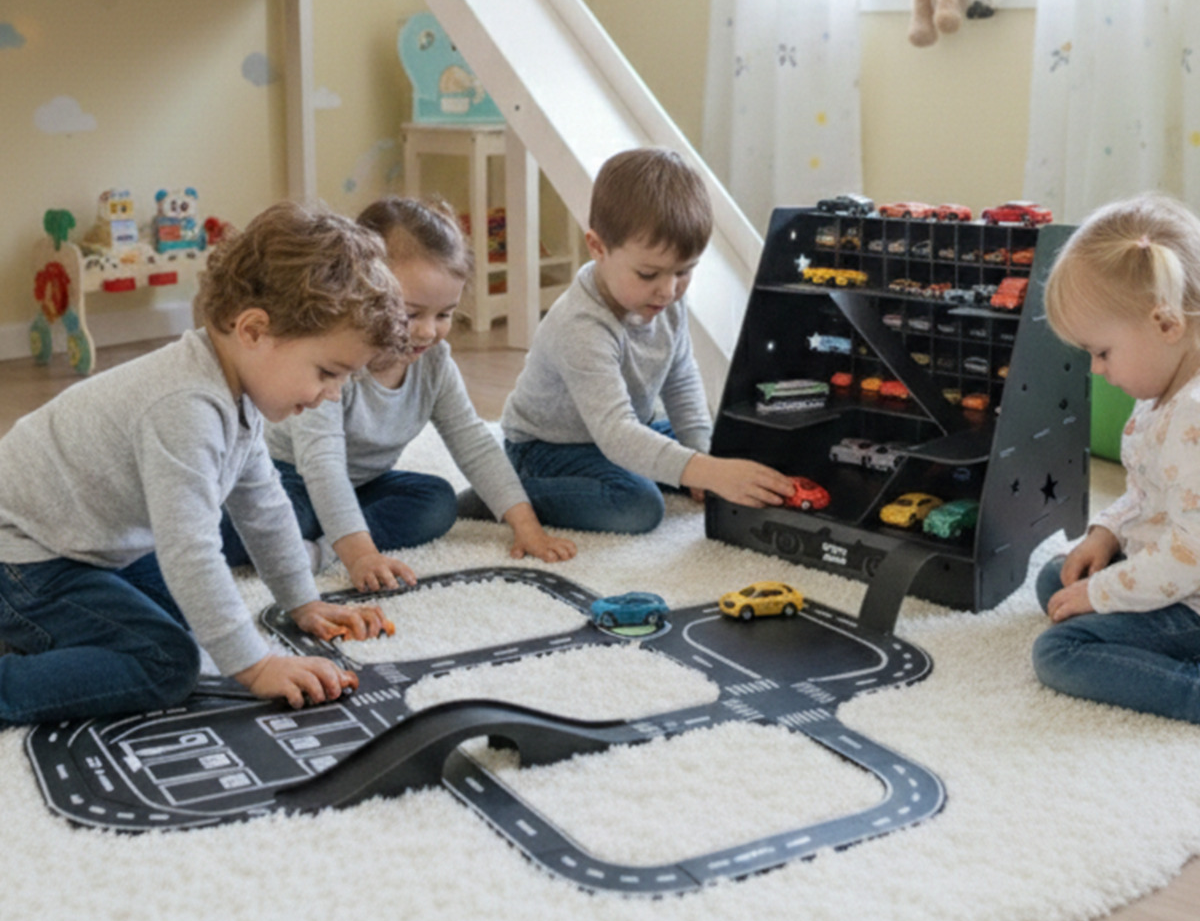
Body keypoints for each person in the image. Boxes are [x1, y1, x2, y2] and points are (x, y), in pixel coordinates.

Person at [0, 201, 408, 728]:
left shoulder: (234, 389)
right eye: (328, 373)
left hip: (84, 545)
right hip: (23, 555)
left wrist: (303, 602)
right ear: (253, 330)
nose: (333, 394)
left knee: (193, 613)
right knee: (167, 661)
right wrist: (256, 666)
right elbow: (189, 550)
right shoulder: (186, 406)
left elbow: (264, 507)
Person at [242, 196, 576, 591]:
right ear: (360, 293)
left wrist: (527, 526)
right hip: (290, 477)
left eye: (445, 314)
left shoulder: (434, 364)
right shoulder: (336, 361)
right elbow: (322, 464)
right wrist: (361, 557)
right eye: (411, 313)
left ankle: (323, 549)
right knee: (270, 519)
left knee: (435, 500)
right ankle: (332, 537)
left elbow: (474, 442)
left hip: (363, 485)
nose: (428, 331)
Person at [500, 146, 794, 534]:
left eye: (684, 271)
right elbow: (617, 433)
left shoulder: (665, 299)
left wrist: (702, 456)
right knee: (637, 506)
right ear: (598, 248)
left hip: (622, 431)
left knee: (731, 448)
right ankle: (504, 494)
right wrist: (706, 472)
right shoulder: (580, 326)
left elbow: (680, 378)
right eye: (648, 274)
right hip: (548, 448)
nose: (668, 290)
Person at [1032, 192, 1200, 723]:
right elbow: (1146, 495)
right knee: (1056, 580)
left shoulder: (1194, 416)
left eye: (1102, 352)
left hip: (1192, 589)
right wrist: (1106, 533)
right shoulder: (1160, 391)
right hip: (1175, 565)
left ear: (1166, 325)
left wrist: (1103, 594)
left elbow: (1190, 555)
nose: (1096, 370)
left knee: (1060, 651)